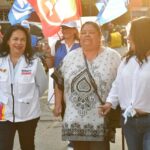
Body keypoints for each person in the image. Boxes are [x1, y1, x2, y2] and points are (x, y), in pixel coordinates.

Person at [52, 21, 121, 150]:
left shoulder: (113, 57)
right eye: (83, 32)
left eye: (91, 32)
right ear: (80, 36)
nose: (87, 35)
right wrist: (58, 104)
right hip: (75, 122)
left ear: (100, 36)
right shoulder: (70, 57)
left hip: (100, 121)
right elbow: (58, 80)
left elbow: (122, 83)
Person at [100, 16, 150, 150]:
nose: (127, 38)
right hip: (129, 122)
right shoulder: (126, 61)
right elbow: (117, 85)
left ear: (141, 36)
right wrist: (110, 103)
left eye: (131, 34)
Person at [0, 24, 48, 150]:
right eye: (15, 39)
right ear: (8, 41)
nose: (19, 43)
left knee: (27, 146)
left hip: (28, 115)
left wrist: (28, 100)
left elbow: (42, 86)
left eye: (23, 40)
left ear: (27, 42)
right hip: (4, 115)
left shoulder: (34, 62)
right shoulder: (0, 61)